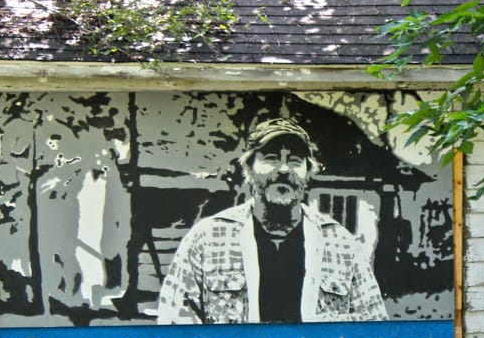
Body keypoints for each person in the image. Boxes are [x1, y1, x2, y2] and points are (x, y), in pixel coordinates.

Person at [156, 117, 388, 324]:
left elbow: (374, 325)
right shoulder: (207, 239)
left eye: (295, 160)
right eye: (271, 158)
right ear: (249, 169)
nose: (284, 169)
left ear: (308, 172)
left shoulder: (341, 244)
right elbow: (174, 324)